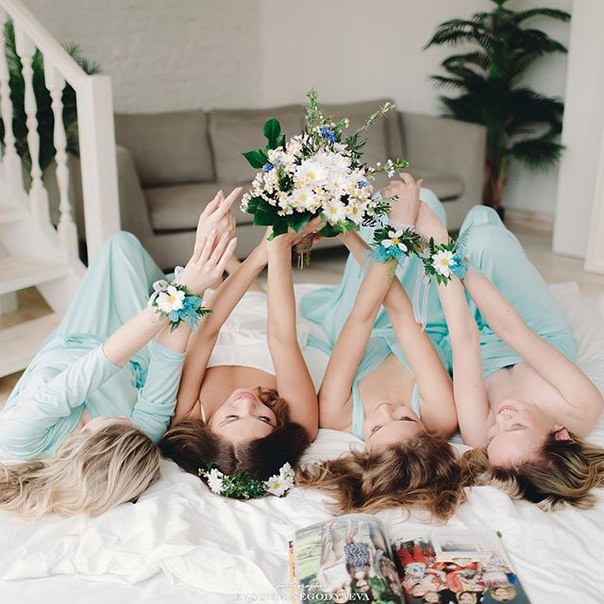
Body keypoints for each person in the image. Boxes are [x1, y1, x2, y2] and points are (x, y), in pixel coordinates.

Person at [0, 193, 236, 519]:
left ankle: (165, 285)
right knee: (124, 247)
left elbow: (100, 362)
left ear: (90, 443)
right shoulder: (137, 439)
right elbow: (167, 359)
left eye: (121, 423)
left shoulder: (19, 439)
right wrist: (197, 273)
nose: (128, 420)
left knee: (118, 245)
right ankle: (170, 285)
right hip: (135, 357)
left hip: (81, 338)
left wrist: (183, 285)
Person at [413, 198, 604, 509]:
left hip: (477, 342)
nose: (501, 419)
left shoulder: (478, 434)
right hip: (534, 330)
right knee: (483, 234)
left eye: (495, 436)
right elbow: (512, 329)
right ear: (560, 435)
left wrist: (440, 248)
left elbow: (463, 338)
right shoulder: (582, 405)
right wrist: (448, 251)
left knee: (423, 228)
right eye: (516, 427)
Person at [297, 174, 463, 520]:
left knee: (396, 218)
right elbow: (402, 314)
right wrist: (394, 234)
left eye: (375, 427)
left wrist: (350, 234)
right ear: (427, 432)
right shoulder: (441, 415)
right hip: (416, 319)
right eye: (404, 417)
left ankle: (378, 235)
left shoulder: (337, 414)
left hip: (360, 316)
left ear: (363, 449)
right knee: (427, 203)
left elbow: (361, 317)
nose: (386, 409)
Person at [159, 215, 321, 497]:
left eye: (231, 417)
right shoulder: (298, 422)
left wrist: (260, 254)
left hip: (212, 319)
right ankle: (235, 265)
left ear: (208, 432)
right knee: (257, 300)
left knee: (175, 288)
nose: (246, 403)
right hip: (265, 323)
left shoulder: (190, 414)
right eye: (264, 419)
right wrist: (278, 248)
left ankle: (234, 264)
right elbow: (282, 339)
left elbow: (206, 331)